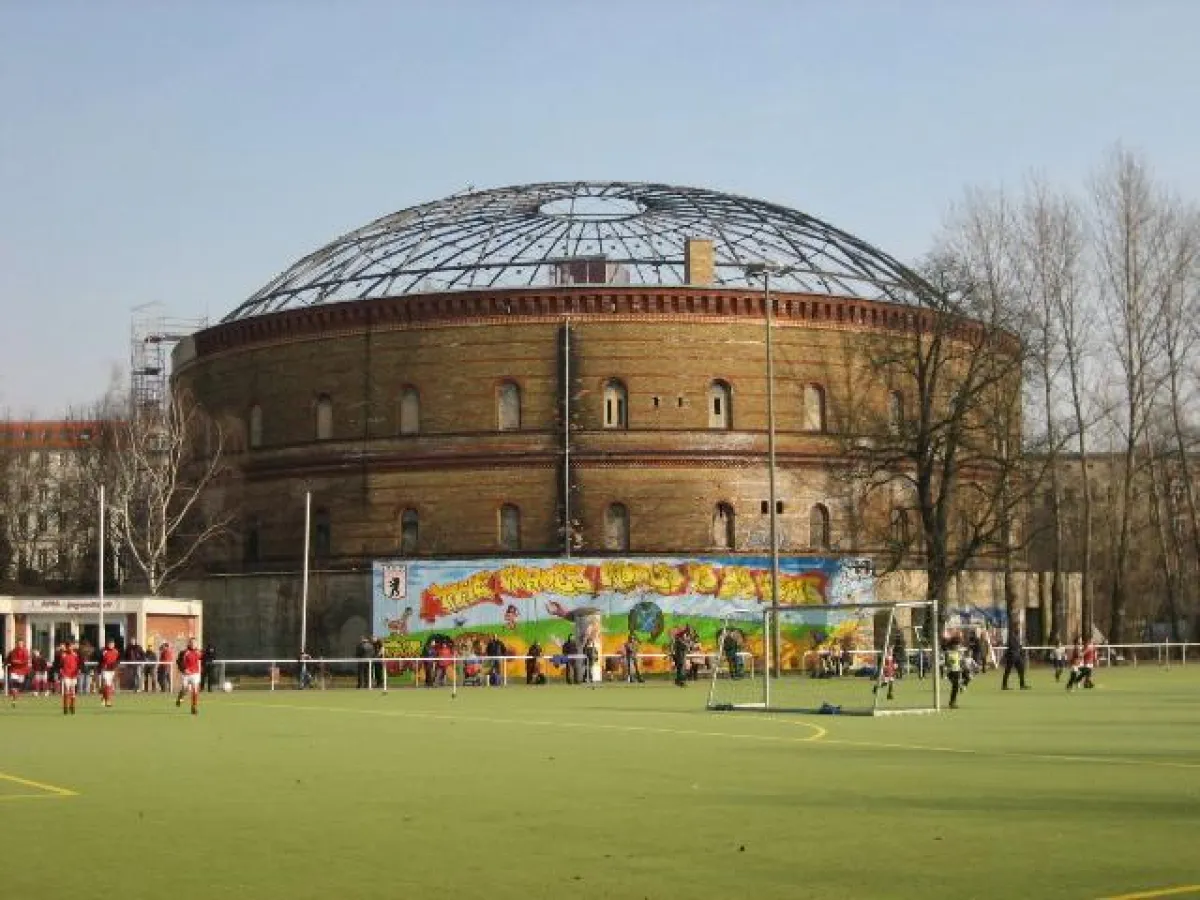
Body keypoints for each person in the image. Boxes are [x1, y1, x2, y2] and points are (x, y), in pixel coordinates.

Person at [175, 638, 204, 715]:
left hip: (195, 674)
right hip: (186, 674)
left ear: (196, 644)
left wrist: (203, 668)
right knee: (185, 689)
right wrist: (184, 669)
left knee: (195, 690)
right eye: (191, 643)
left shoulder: (199, 652)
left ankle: (194, 707)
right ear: (189, 643)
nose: (193, 644)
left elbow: (203, 660)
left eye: (194, 643)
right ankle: (180, 698)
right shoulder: (184, 652)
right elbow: (178, 662)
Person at [6, 639, 31, 706]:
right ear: (17, 644)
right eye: (19, 643)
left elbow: (25, 661)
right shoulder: (13, 651)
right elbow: (12, 660)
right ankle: (13, 699)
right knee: (13, 684)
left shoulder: (25, 651)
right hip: (14, 670)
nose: (20, 645)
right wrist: (11, 662)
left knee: (18, 685)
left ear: (23, 644)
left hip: (22, 670)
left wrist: (18, 662)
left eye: (21, 643)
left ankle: (15, 698)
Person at [60, 641, 82, 715]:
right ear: (67, 647)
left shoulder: (76, 655)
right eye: (69, 646)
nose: (70, 648)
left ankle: (72, 707)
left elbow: (79, 664)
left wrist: (78, 670)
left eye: (71, 646)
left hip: (74, 675)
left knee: (73, 691)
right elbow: (60, 664)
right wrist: (62, 672)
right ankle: (65, 708)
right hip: (66, 674)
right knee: (66, 690)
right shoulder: (63, 655)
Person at [99, 639, 122, 709]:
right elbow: (100, 660)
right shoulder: (104, 651)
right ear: (107, 644)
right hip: (105, 670)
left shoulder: (116, 651)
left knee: (109, 685)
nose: (111, 645)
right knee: (107, 685)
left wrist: (116, 665)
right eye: (110, 644)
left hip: (112, 670)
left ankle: (103, 698)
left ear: (114, 645)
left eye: (112, 644)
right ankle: (108, 701)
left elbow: (118, 660)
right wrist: (102, 665)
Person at [944, 635, 964, 709]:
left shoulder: (959, 652)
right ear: (953, 644)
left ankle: (952, 702)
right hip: (951, 672)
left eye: (959, 645)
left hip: (957, 671)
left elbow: (961, 662)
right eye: (957, 644)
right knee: (955, 686)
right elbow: (946, 663)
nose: (958, 646)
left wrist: (962, 665)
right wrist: (950, 662)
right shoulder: (948, 652)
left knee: (955, 687)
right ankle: (952, 702)